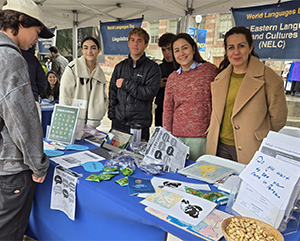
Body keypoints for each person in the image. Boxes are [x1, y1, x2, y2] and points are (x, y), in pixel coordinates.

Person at [0, 0, 52, 240]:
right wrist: (39, 163)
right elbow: (22, 122)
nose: (37, 40)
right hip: (10, 167)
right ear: (21, 22)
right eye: (37, 32)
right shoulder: (11, 58)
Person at [206, 26, 288, 164]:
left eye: (241, 46)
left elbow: (278, 119)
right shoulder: (220, 78)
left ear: (250, 47)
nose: (236, 52)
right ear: (226, 51)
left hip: (252, 147)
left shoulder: (269, 78)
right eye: (231, 47)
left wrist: (259, 135)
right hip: (219, 147)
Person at [163, 33, 218, 161]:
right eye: (176, 50)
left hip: (201, 136)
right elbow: (168, 108)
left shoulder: (209, 71)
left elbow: (217, 102)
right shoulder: (173, 77)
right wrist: (168, 134)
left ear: (193, 48)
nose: (181, 53)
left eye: (185, 48)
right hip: (177, 137)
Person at [108, 27, 161, 141]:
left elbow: (149, 93)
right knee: (113, 155)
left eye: (139, 41)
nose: (135, 44)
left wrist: (126, 84)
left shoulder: (153, 68)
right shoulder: (120, 67)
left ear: (146, 45)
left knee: (137, 157)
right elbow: (112, 91)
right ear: (128, 43)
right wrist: (112, 115)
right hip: (119, 123)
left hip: (139, 125)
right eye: (132, 40)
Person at [59, 36, 107, 138]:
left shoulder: (100, 73)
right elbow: (64, 95)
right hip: (73, 123)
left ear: (98, 50)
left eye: (93, 48)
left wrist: (100, 111)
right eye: (85, 48)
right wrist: (65, 120)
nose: (89, 51)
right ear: (82, 50)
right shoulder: (72, 68)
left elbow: (103, 96)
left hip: (91, 126)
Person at [155, 33, 175, 127]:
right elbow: (149, 91)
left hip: (177, 110)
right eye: (163, 50)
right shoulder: (159, 68)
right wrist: (158, 85)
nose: (166, 53)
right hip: (161, 108)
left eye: (169, 49)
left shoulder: (182, 67)